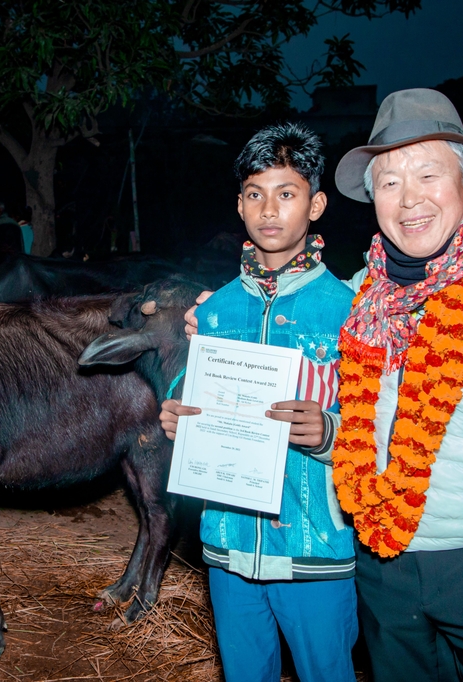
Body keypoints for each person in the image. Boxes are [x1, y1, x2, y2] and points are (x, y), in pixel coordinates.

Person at [171, 89, 463, 681]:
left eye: (428, 174)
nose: (410, 200)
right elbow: (355, 419)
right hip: (384, 568)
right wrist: (214, 326)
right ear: (373, 197)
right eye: (390, 183)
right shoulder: (367, 301)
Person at [160, 123, 359, 682]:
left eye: (287, 193)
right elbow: (192, 388)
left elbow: (379, 431)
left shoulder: (346, 311)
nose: (269, 209)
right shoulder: (217, 310)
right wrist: (176, 411)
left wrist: (327, 434)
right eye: (255, 194)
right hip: (226, 546)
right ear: (240, 207)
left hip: (315, 547)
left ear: (316, 204)